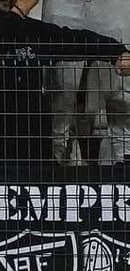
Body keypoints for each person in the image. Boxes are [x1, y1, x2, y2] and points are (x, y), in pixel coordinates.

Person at [0, 0, 130, 171]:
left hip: (28, 155)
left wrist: (115, 51)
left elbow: (67, 39)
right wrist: (19, 11)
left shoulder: (23, 30)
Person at [43, 0, 130, 164]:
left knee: (123, 99)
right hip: (65, 5)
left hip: (114, 6)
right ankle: (60, 175)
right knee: (61, 101)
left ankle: (120, 179)